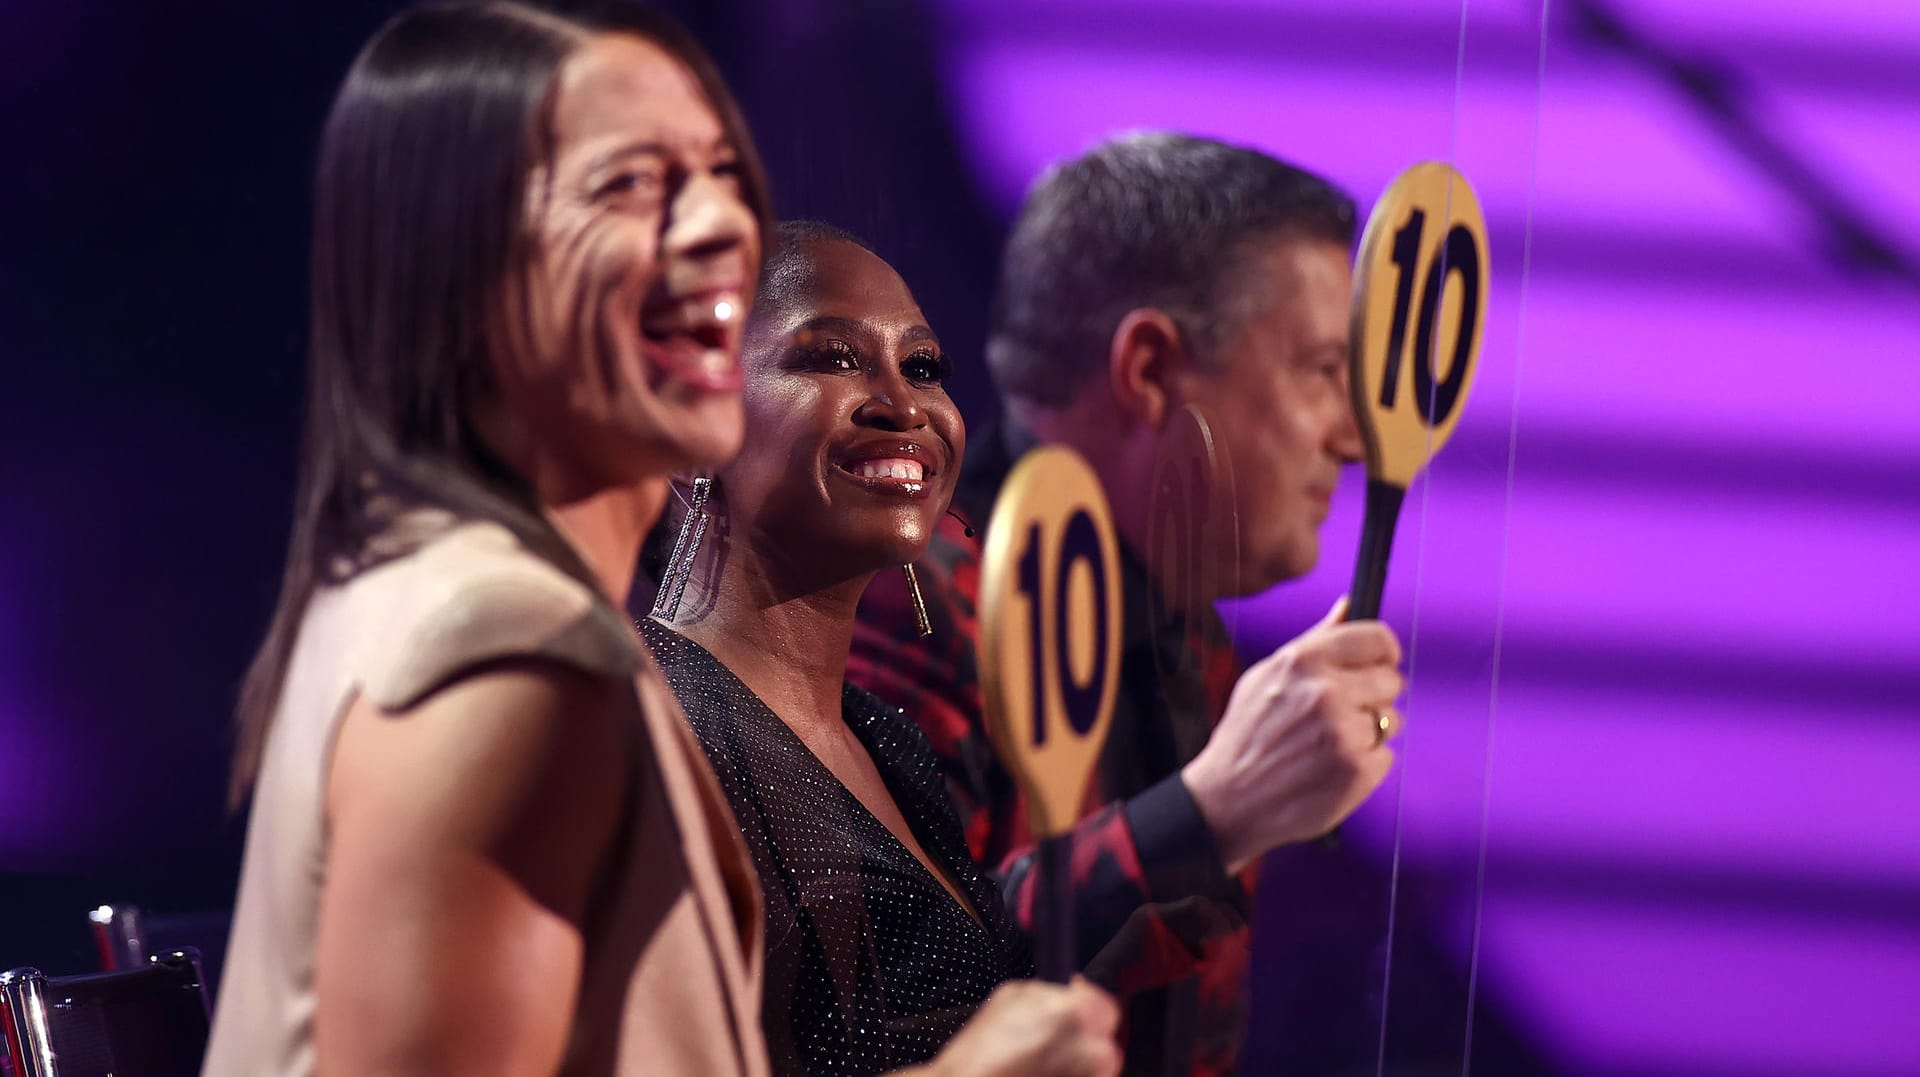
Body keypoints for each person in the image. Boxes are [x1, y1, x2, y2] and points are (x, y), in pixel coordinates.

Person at [206, 6, 1116, 1076]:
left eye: (721, 174)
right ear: (466, 267)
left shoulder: (462, 609)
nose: (718, 230)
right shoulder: (505, 658)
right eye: (630, 185)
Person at [849, 132, 1408, 1074]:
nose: (1354, 436)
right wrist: (1211, 813)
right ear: (1148, 368)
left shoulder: (1191, 635)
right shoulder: (907, 595)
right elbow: (880, 1001)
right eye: (1320, 370)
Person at [643, 222, 1118, 1077]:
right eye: (830, 358)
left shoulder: (889, 741)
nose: (904, 406)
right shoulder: (646, 727)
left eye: (925, 367)